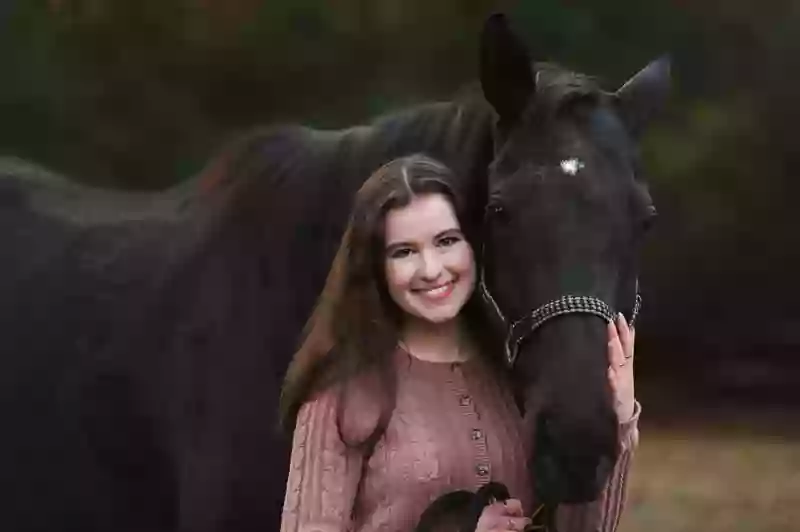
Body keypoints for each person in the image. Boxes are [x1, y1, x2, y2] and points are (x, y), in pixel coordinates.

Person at [278, 154, 640, 532]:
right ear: (375, 266)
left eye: (447, 241)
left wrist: (614, 419)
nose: (432, 269)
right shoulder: (340, 389)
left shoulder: (518, 369)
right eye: (404, 252)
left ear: (474, 245)